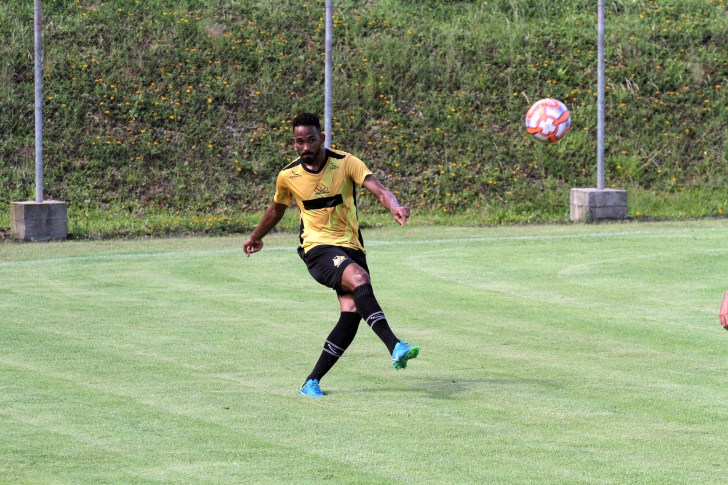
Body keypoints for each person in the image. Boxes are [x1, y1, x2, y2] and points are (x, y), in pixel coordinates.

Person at [242, 112, 420, 397]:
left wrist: (394, 207)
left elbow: (380, 190)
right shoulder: (288, 176)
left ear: (321, 138)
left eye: (311, 140)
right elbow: (276, 209)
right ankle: (395, 345)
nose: (305, 147)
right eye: (299, 142)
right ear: (294, 142)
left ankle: (311, 382)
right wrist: (256, 237)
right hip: (317, 249)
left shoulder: (346, 163)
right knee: (359, 277)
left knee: (351, 314)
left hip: (351, 248)